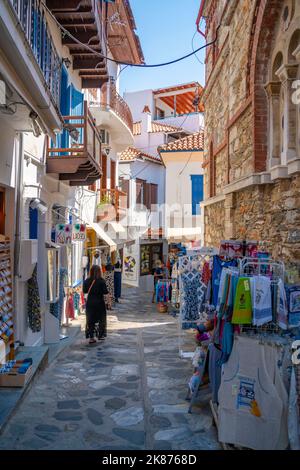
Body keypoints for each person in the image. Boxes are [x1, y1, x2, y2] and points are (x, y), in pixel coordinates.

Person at [83, 265, 108, 344]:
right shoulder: (101, 281)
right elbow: (105, 291)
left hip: (90, 303)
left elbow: (84, 291)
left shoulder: (87, 280)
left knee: (90, 319)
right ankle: (100, 335)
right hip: (99, 302)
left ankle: (91, 337)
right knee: (101, 319)